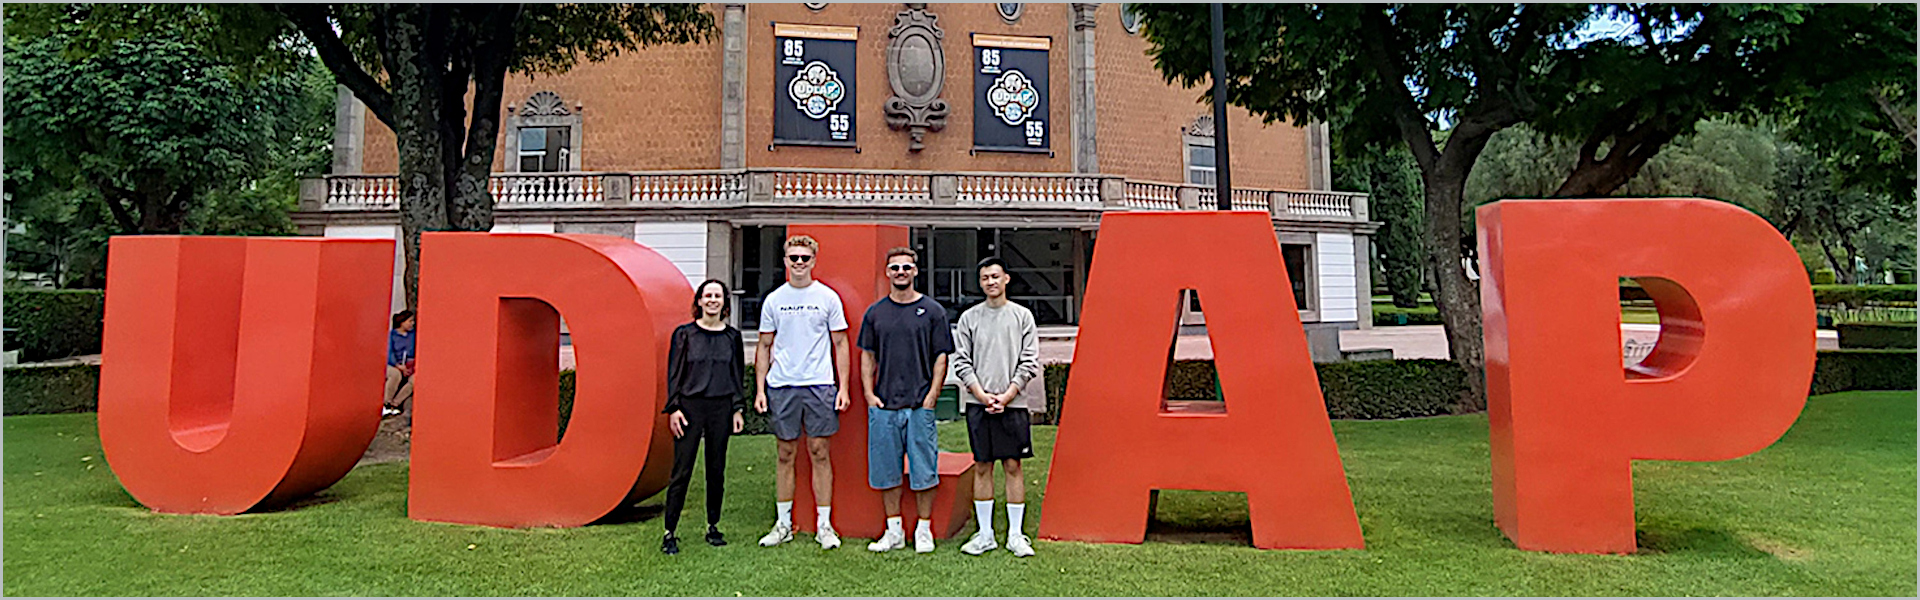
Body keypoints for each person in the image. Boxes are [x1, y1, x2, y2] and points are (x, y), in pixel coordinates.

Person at [754, 235, 852, 550]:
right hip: (782, 385)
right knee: (785, 454)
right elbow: (764, 345)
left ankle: (824, 525)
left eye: (804, 258)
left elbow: (840, 343)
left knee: (819, 452)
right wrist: (760, 389)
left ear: (813, 261)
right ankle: (783, 523)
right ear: (785, 261)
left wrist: (843, 387)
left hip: (819, 384)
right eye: (793, 258)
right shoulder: (774, 300)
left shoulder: (827, 297)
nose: (799, 263)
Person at [857, 248, 953, 554]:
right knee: (887, 471)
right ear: (887, 272)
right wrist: (869, 395)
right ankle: (894, 530)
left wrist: (932, 396)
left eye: (906, 267)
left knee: (924, 470)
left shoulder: (933, 311)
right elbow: (867, 356)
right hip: (884, 405)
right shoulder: (875, 313)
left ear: (915, 272)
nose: (900, 272)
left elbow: (941, 357)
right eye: (895, 267)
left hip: (918, 406)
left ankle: (924, 529)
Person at [949, 257, 1042, 557]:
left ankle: (1016, 534)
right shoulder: (969, 318)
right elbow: (962, 361)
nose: (990, 282)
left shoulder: (1022, 316)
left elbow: (1029, 361)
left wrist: (1008, 394)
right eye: (985, 278)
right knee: (982, 465)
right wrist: (981, 393)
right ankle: (985, 533)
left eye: (995, 276)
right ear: (980, 283)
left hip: (1013, 404)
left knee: (1013, 465)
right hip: (979, 404)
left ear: (1006, 279)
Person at [661, 280, 747, 555]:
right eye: (707, 295)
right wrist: (673, 408)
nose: (712, 300)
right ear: (699, 301)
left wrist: (737, 408)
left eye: (717, 296)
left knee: (716, 469)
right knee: (682, 470)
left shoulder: (732, 337)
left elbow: (736, 375)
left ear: (724, 303)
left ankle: (713, 525)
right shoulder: (684, 334)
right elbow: (674, 372)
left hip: (721, 408)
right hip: (689, 408)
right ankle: (669, 532)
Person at [384, 311, 417, 419]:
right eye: (409, 321)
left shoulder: (414, 335)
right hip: (394, 364)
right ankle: (386, 402)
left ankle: (396, 403)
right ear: (402, 322)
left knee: (414, 380)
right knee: (395, 375)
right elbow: (389, 352)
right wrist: (397, 365)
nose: (412, 324)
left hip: (410, 365)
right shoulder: (392, 335)